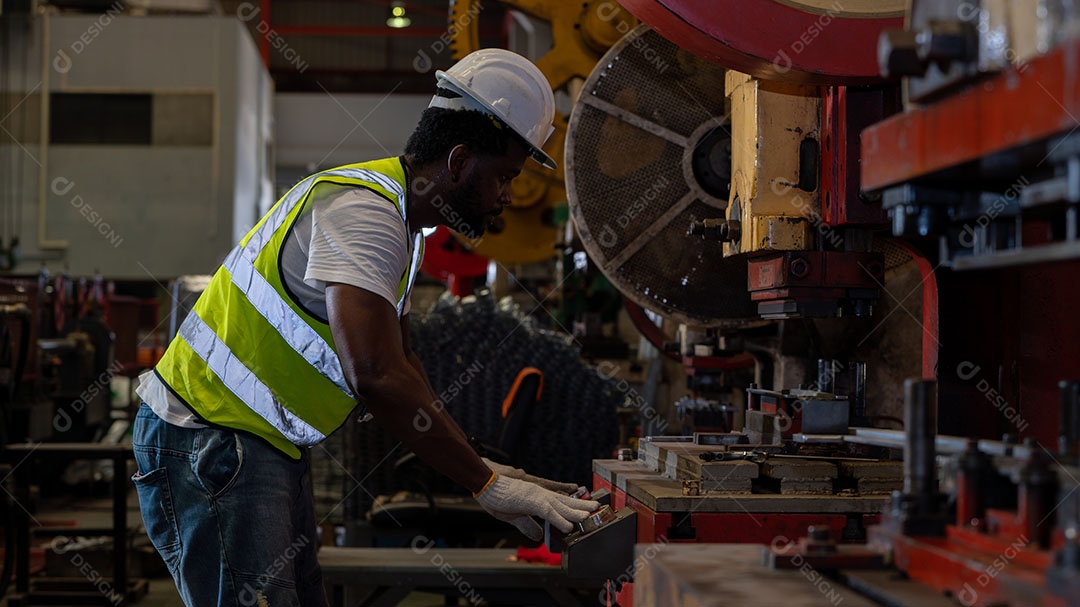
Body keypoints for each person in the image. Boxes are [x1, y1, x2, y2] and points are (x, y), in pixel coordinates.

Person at [131, 48, 600, 607]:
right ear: (456, 161)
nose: (507, 196)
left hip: (258, 440)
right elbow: (375, 376)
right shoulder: (365, 213)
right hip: (213, 437)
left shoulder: (402, 228)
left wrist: (487, 469)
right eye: (503, 176)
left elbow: (403, 364)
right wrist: (487, 485)